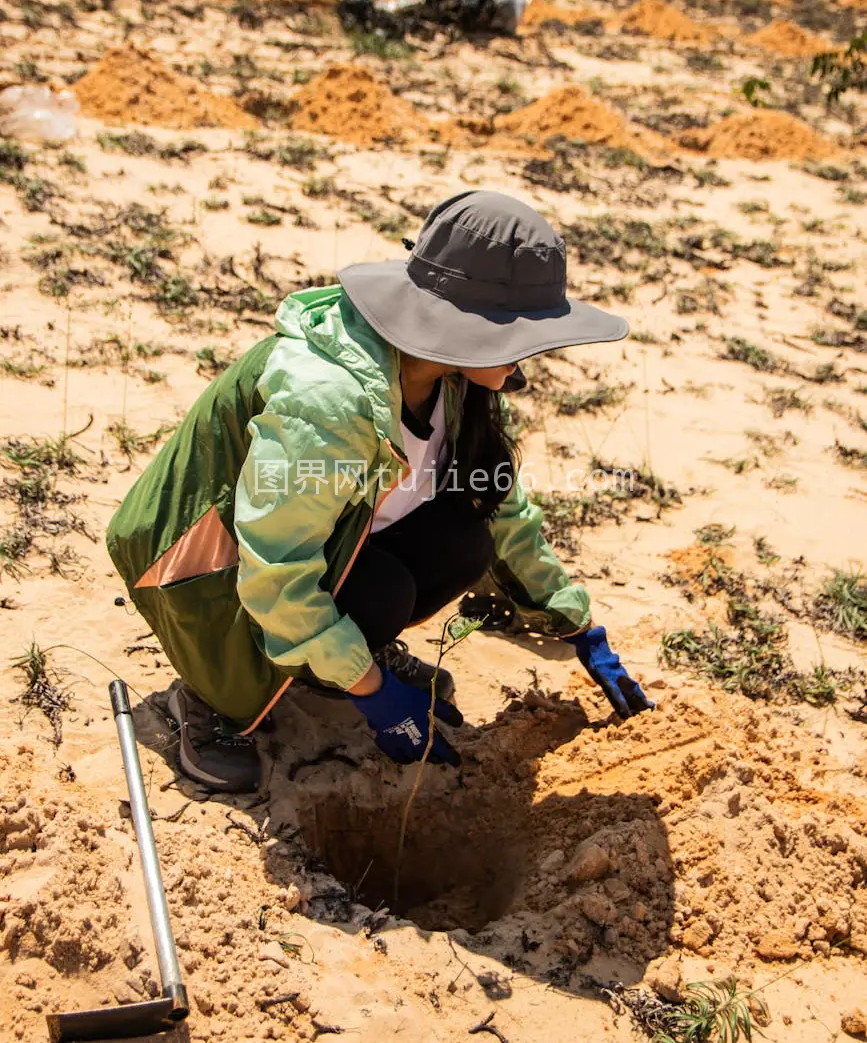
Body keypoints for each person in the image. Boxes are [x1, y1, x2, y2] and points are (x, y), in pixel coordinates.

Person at [107, 191, 654, 794]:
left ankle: (327, 661)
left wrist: (577, 625)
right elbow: (274, 569)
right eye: (526, 334)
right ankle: (210, 697)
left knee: (461, 541)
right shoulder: (330, 400)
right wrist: (375, 693)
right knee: (376, 594)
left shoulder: (450, 378)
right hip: (198, 561)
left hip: (310, 539)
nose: (539, 355)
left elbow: (501, 508)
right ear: (469, 329)